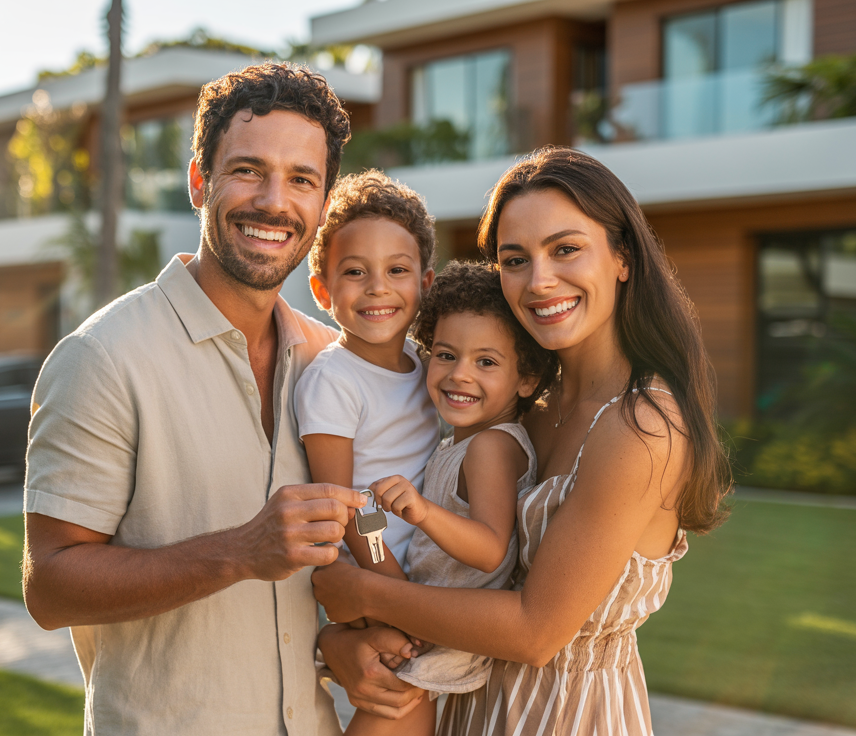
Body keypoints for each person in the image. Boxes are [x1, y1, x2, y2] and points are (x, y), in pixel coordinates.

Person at [20, 61, 397, 736]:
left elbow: (317, 575)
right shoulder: (103, 357)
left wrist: (337, 644)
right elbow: (49, 587)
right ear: (200, 182)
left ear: (322, 203)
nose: (274, 202)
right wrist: (238, 551)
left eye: (302, 180)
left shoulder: (329, 362)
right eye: (248, 170)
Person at [313, 146, 732, 735]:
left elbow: (536, 632)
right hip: (468, 698)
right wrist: (345, 639)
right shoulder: (525, 404)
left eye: (566, 249)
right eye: (515, 259)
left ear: (622, 257)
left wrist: (361, 593)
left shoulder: (642, 428)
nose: (539, 281)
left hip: (563, 715)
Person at [353, 261, 558, 736]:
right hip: (424, 626)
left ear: (527, 379)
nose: (459, 374)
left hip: (444, 639)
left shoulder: (491, 447)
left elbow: (489, 550)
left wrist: (422, 512)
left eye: (486, 362)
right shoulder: (459, 443)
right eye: (445, 355)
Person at [296, 169, 440, 586]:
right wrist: (394, 595)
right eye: (356, 272)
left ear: (424, 284)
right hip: (375, 578)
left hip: (429, 567)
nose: (378, 288)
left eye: (397, 270)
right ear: (323, 293)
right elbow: (344, 507)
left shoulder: (425, 363)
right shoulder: (333, 382)